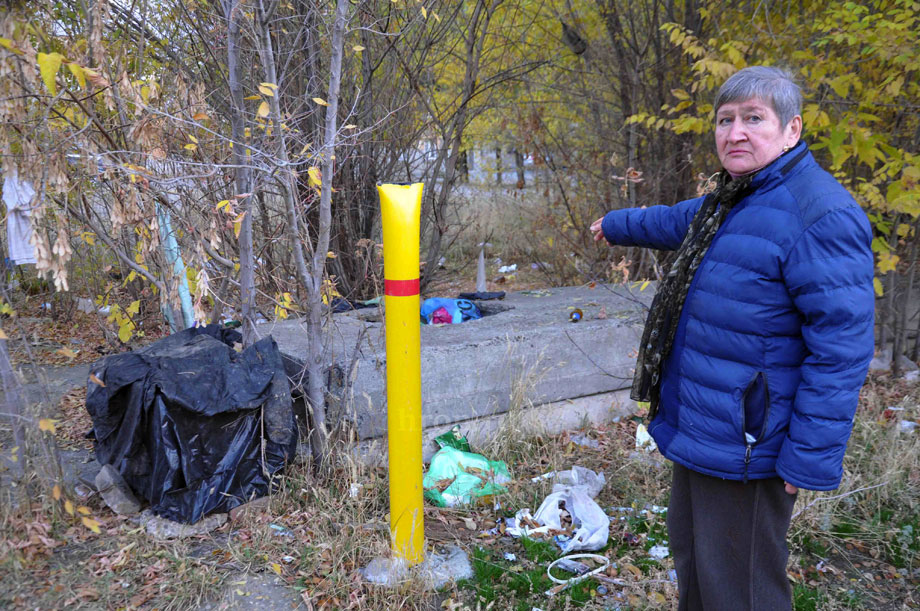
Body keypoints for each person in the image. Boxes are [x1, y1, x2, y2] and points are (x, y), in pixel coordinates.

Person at [590, 66, 874, 610]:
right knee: (697, 567)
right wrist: (618, 223)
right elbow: (679, 220)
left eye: (753, 118)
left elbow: (841, 347)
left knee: (741, 590)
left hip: (751, 441)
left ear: (791, 130)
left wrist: (806, 458)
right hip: (706, 423)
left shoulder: (818, 214)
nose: (735, 132)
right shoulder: (740, 199)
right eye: (725, 120)